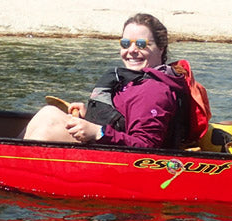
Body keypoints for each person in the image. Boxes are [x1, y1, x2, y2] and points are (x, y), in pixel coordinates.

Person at [22, 13, 190, 148]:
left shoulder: (154, 90)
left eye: (141, 44)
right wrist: (90, 116)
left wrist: (98, 132)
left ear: (161, 48)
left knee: (48, 124)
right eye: (125, 44)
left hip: (120, 162)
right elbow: (124, 119)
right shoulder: (136, 80)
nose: (131, 50)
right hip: (109, 146)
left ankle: (15, 171)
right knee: (49, 112)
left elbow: (146, 147)